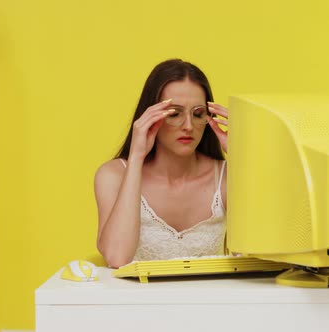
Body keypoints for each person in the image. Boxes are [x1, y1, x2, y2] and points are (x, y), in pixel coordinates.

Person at [94, 59, 229, 268]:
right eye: (174, 114)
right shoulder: (113, 175)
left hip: (211, 300)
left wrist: (245, 159)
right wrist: (136, 157)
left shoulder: (225, 176)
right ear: (149, 116)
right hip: (137, 301)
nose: (188, 126)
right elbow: (117, 257)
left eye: (198, 114)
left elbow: (259, 257)